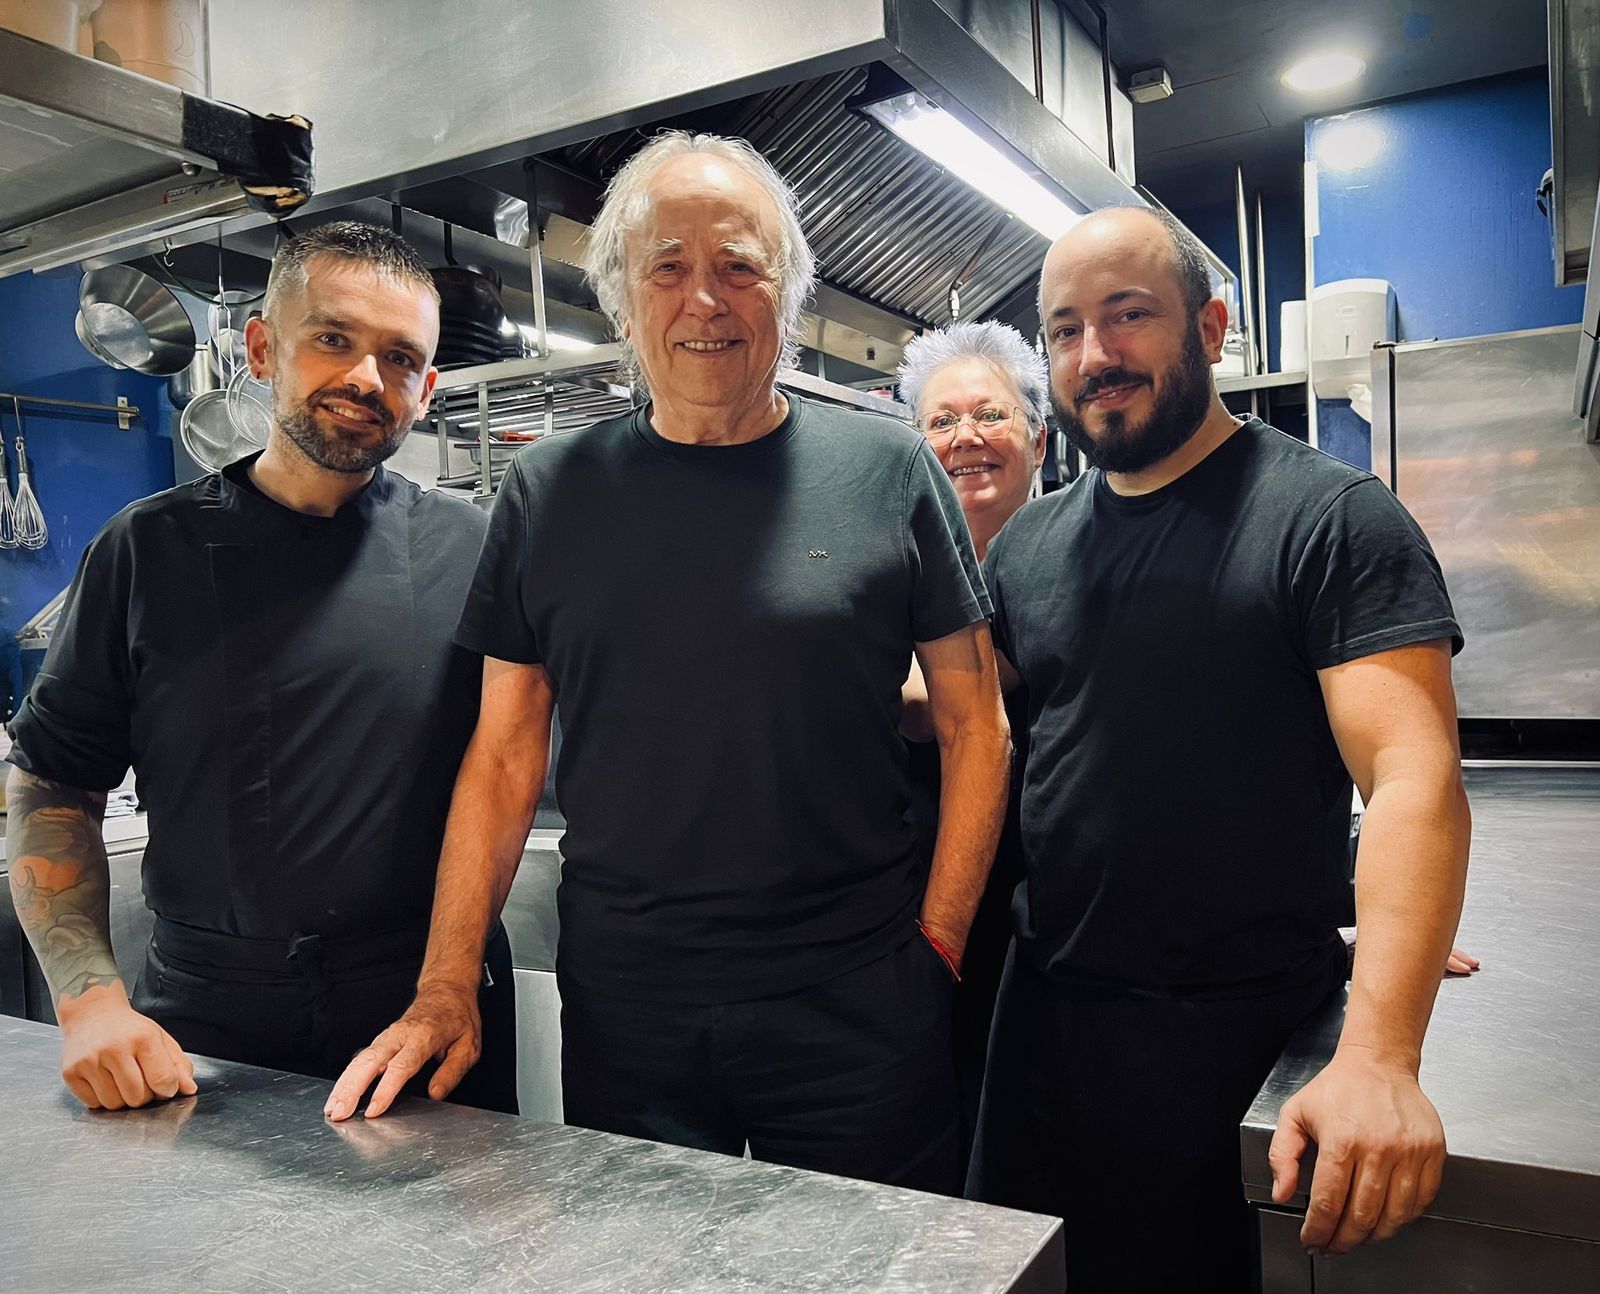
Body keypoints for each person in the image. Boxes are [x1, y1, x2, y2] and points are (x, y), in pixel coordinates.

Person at [328, 133, 1010, 1198]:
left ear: (784, 292)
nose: (707, 299)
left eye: (740, 265)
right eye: (669, 267)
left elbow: (978, 724)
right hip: (630, 1011)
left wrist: (940, 945)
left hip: (858, 1004)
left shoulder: (889, 468)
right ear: (620, 298)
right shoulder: (548, 492)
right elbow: (505, 756)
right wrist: (446, 979)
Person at [968, 206, 1471, 1290]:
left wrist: (1382, 1053)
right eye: (1064, 330)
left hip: (1232, 1034)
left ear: (1211, 326)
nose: (1095, 355)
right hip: (1046, 1027)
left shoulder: (1328, 518)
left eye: (1127, 316)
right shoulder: (1032, 545)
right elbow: (961, 718)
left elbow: (1412, 778)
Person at [5, 222, 517, 1115]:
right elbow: (54, 783)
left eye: (399, 358)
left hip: (426, 1009)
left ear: (427, 390)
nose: (366, 378)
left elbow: (511, 762)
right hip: (211, 1010)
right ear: (260, 347)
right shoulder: (144, 551)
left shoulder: (478, 554)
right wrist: (88, 1004)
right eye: (333, 338)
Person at [895, 320, 1046, 1164]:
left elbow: (940, 705)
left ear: (1038, 435)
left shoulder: (1058, 555)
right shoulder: (889, 570)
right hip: (917, 913)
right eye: (940, 423)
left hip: (1042, 920)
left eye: (990, 414)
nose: (966, 440)